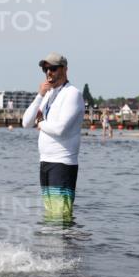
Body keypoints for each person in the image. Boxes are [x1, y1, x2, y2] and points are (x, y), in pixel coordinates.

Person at [22, 53, 85, 223]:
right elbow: (26, 122)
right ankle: (50, 250)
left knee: (61, 216)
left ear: (64, 69)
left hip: (63, 163)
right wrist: (40, 95)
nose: (48, 72)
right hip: (45, 162)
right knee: (50, 215)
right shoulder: (48, 95)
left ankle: (66, 249)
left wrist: (40, 123)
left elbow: (61, 129)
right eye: (45, 69)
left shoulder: (72, 94)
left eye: (53, 68)